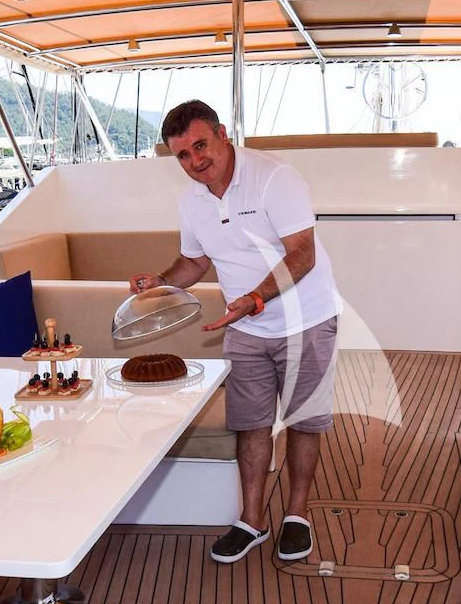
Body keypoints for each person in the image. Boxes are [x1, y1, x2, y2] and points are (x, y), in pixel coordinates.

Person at [131, 100, 340, 565]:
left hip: (305, 319)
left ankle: (297, 514)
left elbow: (302, 254)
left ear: (223, 134)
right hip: (244, 326)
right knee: (251, 423)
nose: (195, 160)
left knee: (303, 422)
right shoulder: (191, 201)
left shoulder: (274, 177)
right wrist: (160, 282)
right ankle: (251, 520)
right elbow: (193, 263)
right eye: (183, 155)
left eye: (200, 145)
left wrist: (255, 297)